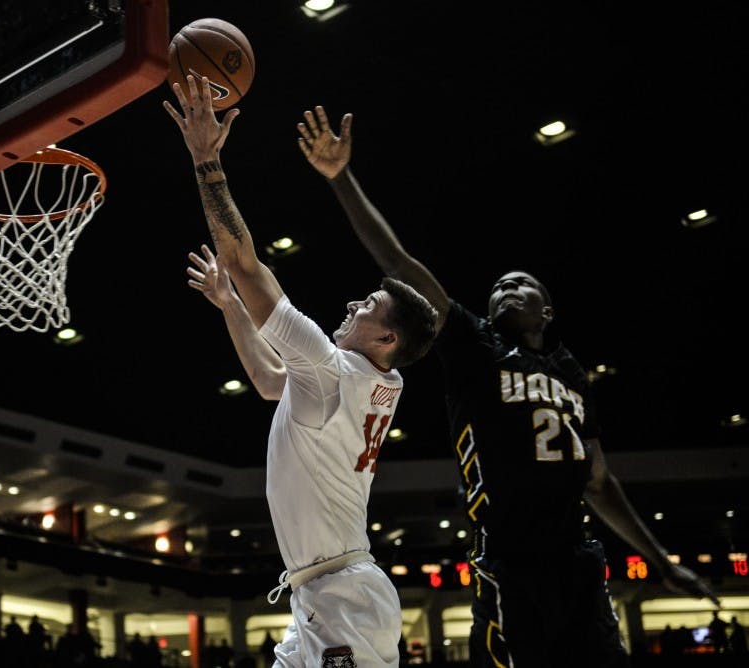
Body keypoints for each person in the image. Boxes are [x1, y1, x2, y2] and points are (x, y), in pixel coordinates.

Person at [294, 104, 721, 667]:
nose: (503, 290)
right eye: (497, 287)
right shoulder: (476, 349)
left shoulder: (571, 375)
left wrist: (662, 562)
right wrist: (341, 178)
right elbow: (397, 261)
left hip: (579, 560)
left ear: (548, 309)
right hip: (510, 564)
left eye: (519, 284)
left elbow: (598, 481)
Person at [167, 75, 438, 668]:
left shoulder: (331, 371)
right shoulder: (372, 381)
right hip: (329, 591)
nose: (350, 305)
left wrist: (206, 159)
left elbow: (242, 258)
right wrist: (231, 307)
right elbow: (269, 382)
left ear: (387, 337)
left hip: (341, 596)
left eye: (367, 307)